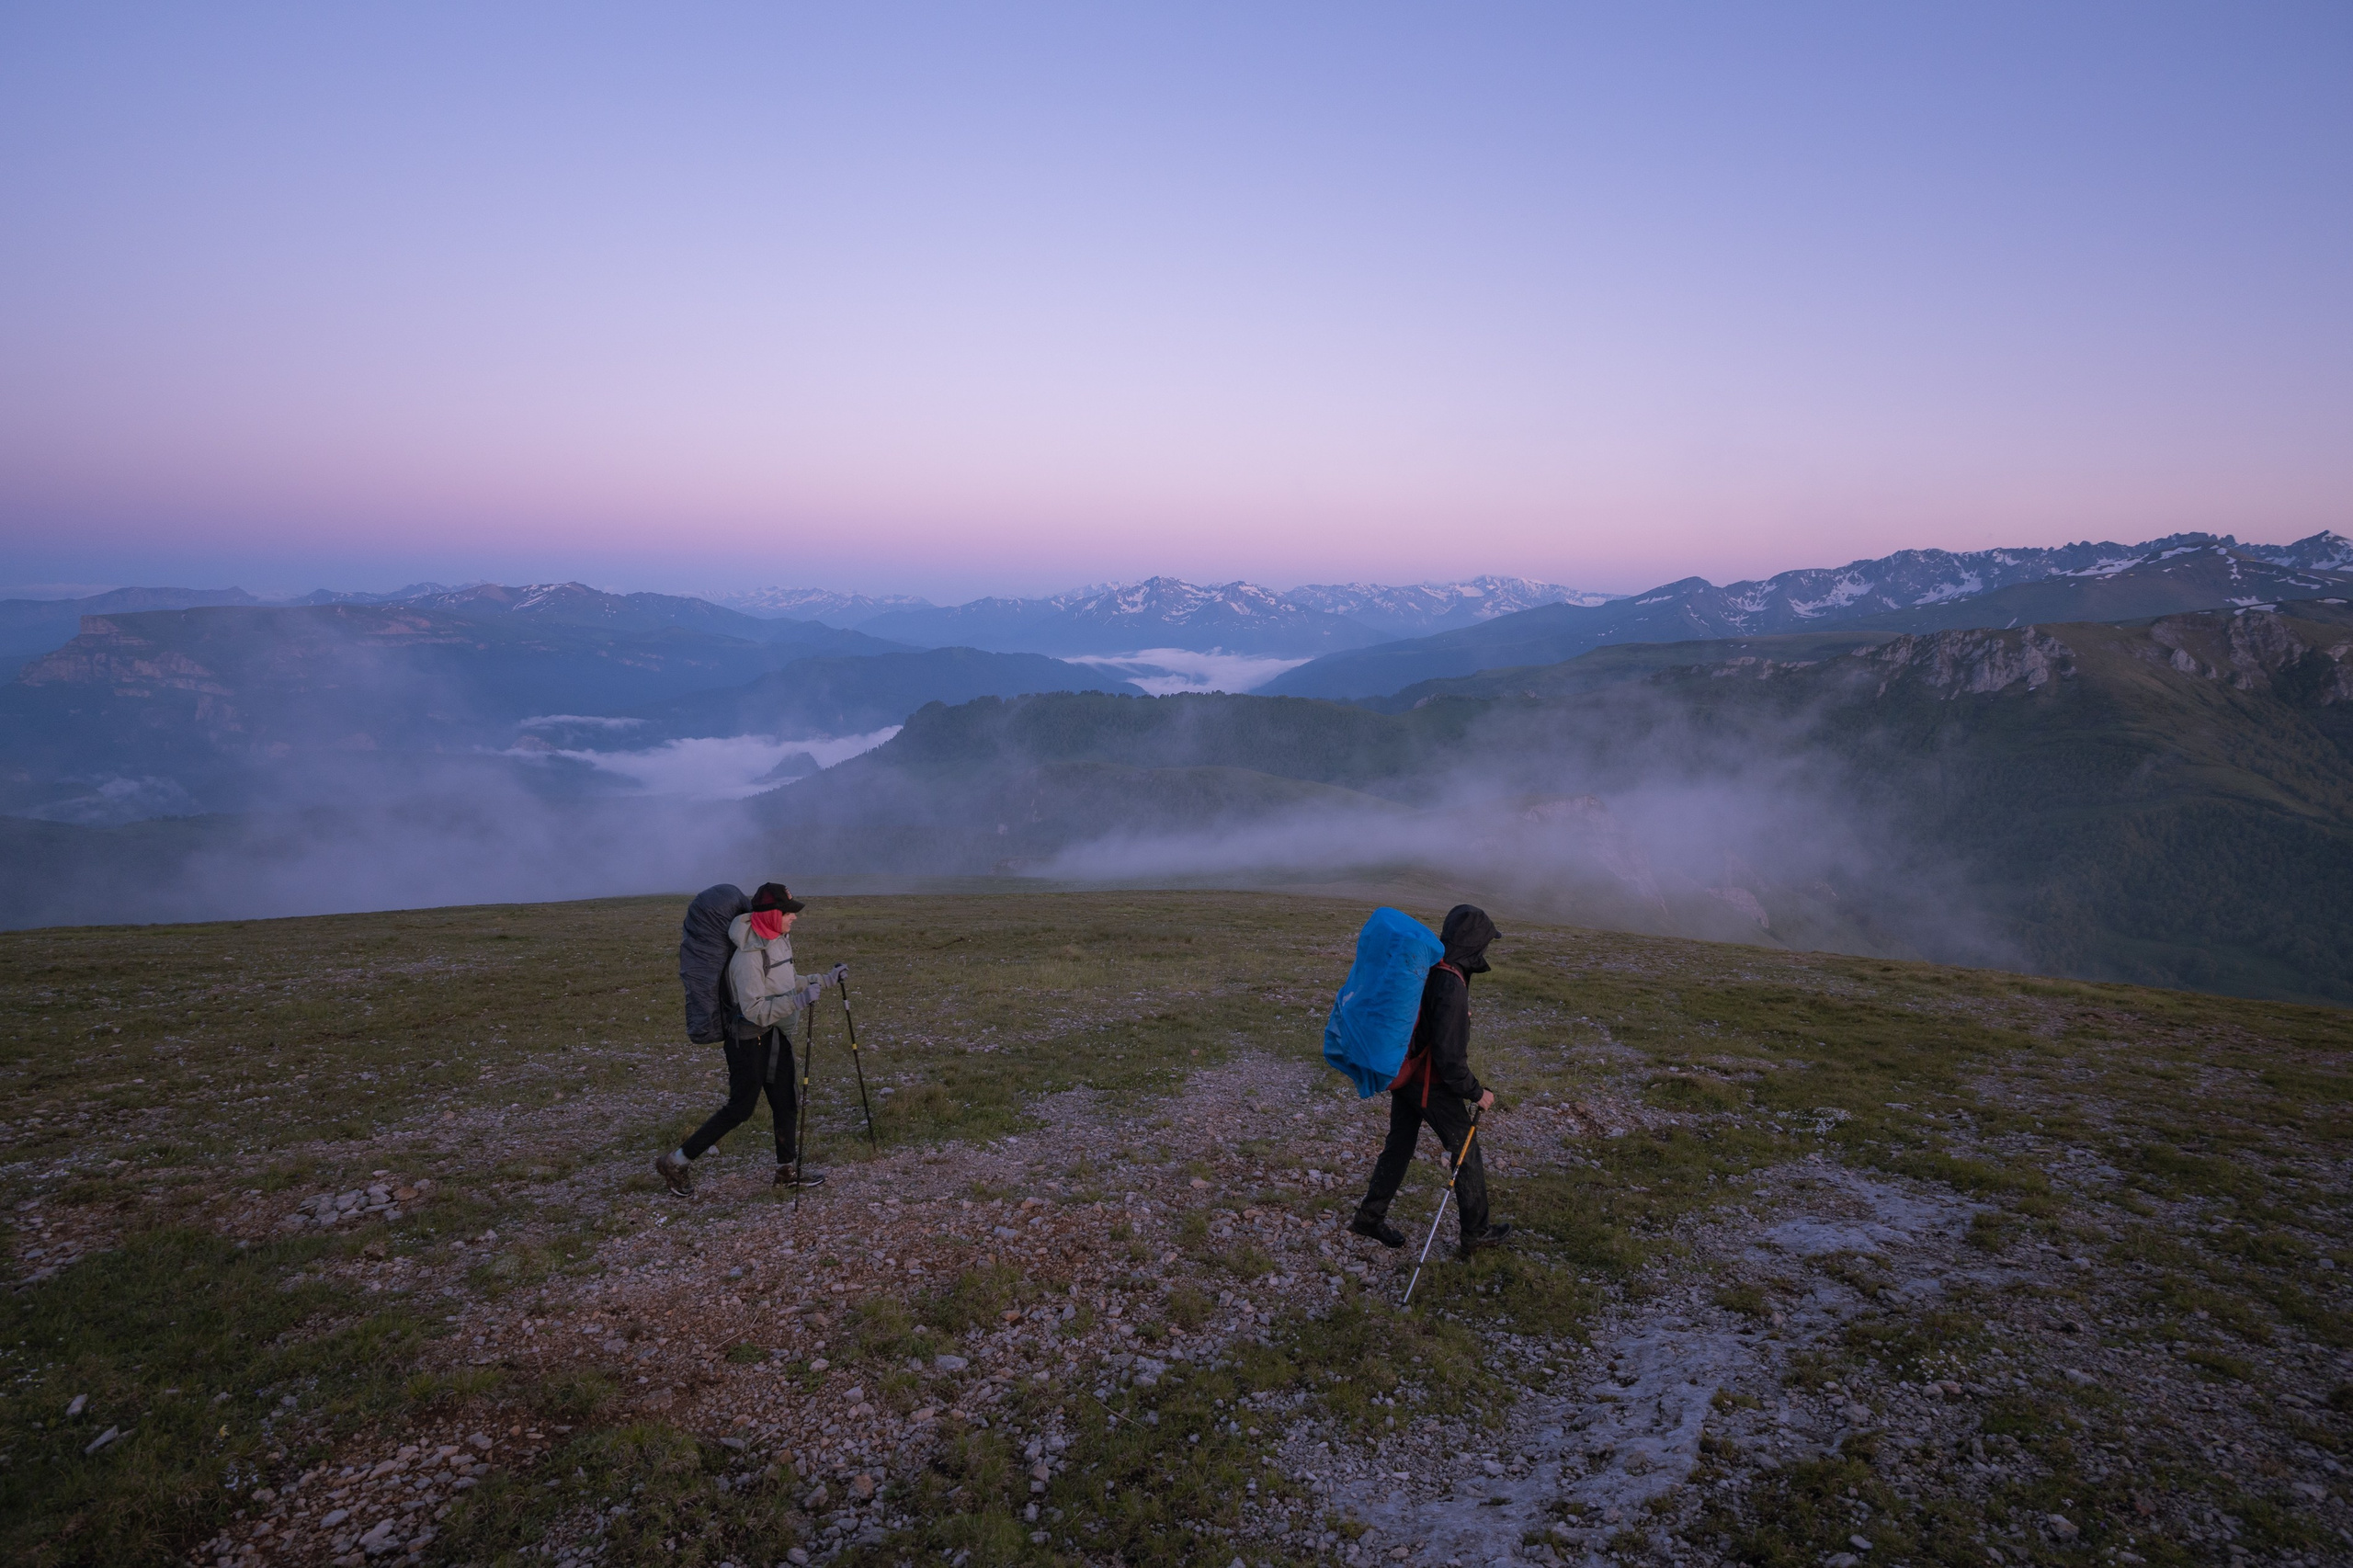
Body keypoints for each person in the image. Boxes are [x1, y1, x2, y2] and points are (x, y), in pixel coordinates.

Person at [1347, 903, 1513, 1257]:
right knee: (1466, 1150)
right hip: (1429, 1084)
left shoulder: (1431, 966)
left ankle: (1369, 1217)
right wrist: (1476, 1092)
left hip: (1406, 1073)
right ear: (1475, 943)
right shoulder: (1451, 982)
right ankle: (1476, 1233)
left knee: (1399, 1145)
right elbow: (1450, 1060)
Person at [654, 881, 829, 1196]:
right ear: (772, 914)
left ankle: (786, 1171)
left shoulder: (776, 942)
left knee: (786, 1101)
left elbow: (786, 983)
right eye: (788, 912)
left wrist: (824, 980)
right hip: (748, 1042)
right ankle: (676, 1161)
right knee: (740, 1108)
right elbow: (755, 1011)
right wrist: (798, 1002)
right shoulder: (747, 958)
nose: (794, 917)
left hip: (774, 1033)